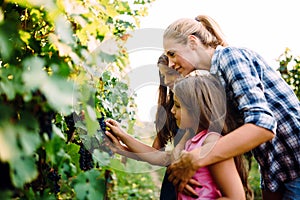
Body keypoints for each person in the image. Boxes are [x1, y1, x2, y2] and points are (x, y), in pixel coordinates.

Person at [162, 14, 300, 200]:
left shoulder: (230, 57)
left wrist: (196, 158)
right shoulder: (214, 80)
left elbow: (263, 125)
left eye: (172, 54)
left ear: (192, 42)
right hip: (276, 172)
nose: (170, 64)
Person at [106, 73, 252, 199]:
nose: (172, 111)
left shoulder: (212, 140)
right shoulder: (189, 137)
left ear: (196, 109)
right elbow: (163, 158)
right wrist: (123, 141)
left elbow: (236, 197)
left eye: (177, 106)